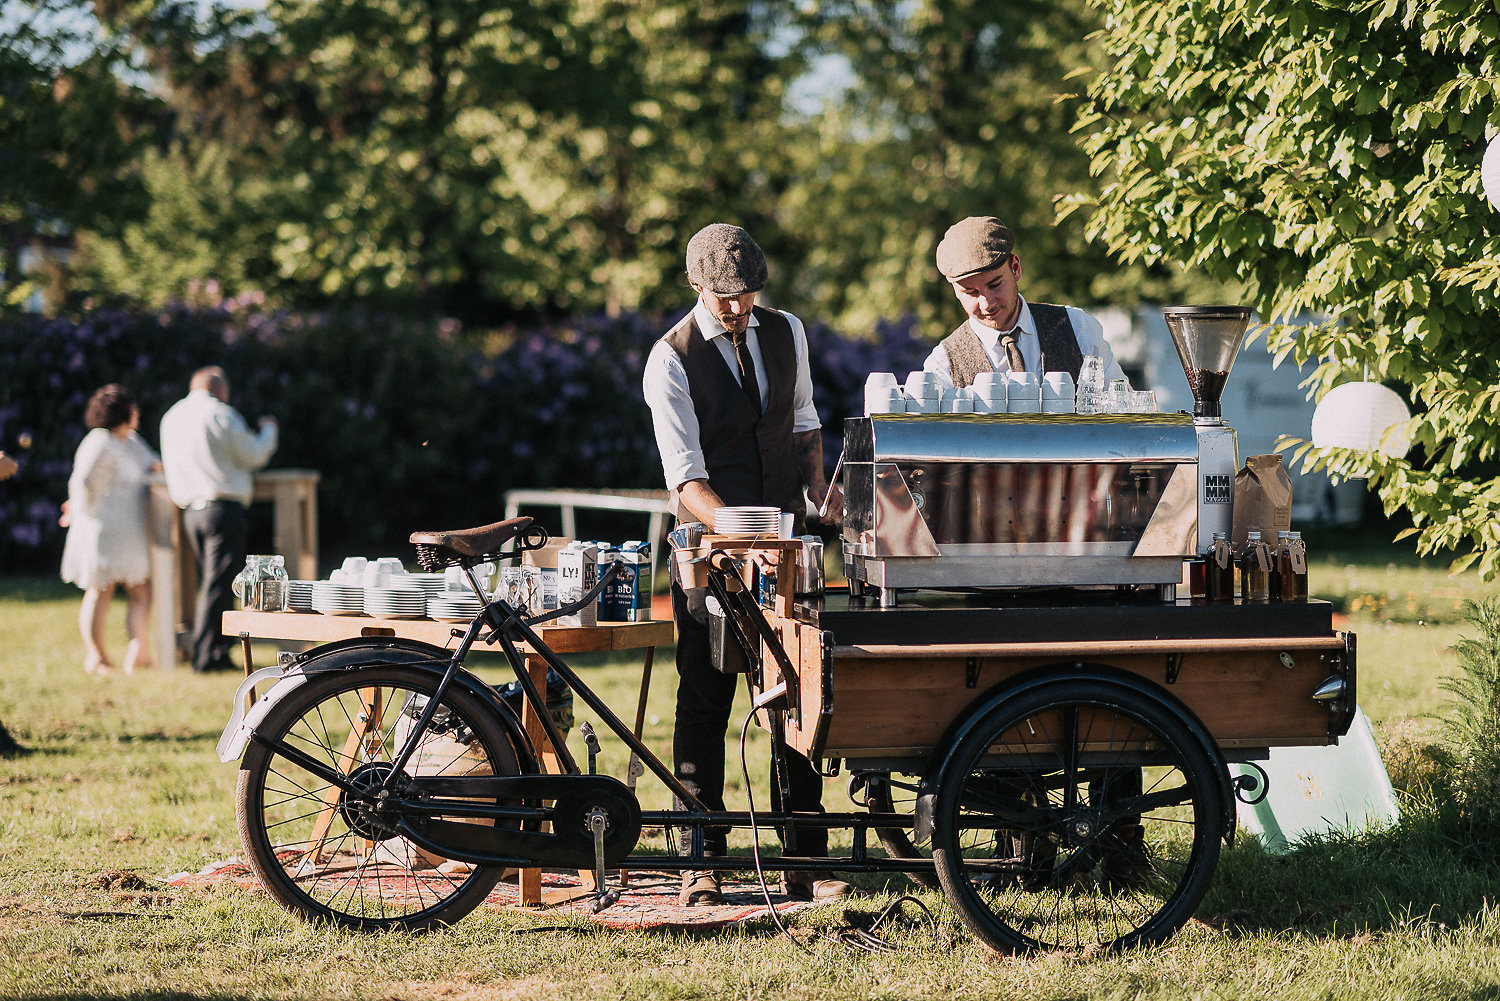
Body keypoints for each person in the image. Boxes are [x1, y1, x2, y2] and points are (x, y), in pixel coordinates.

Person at [643, 223, 848, 906]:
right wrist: (739, 532)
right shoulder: (668, 359)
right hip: (709, 555)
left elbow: (801, 422)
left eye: (748, 294)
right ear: (697, 286)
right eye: (724, 296)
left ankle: (804, 859)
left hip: (789, 548)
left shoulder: (787, 330)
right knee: (704, 699)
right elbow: (685, 482)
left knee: (799, 696)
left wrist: (819, 485)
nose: (738, 308)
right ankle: (700, 860)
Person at [160, 366, 278, 673]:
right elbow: (254, 455)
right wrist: (269, 430)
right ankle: (207, 658)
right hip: (221, 508)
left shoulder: (171, 417)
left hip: (190, 512)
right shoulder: (220, 414)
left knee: (213, 584)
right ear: (221, 389)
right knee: (219, 586)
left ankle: (212, 652)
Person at [923, 215, 1129, 389]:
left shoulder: (1079, 329)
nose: (986, 303)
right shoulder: (942, 366)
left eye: (994, 285)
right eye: (971, 292)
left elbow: (1123, 412)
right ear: (955, 292)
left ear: (1015, 268)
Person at [59, 385, 162, 675]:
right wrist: (77, 510)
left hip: (130, 530)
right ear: (124, 412)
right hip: (102, 529)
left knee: (142, 589)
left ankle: (138, 652)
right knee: (101, 589)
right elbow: (83, 483)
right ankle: (98, 658)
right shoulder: (99, 442)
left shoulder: (131, 440)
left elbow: (152, 463)